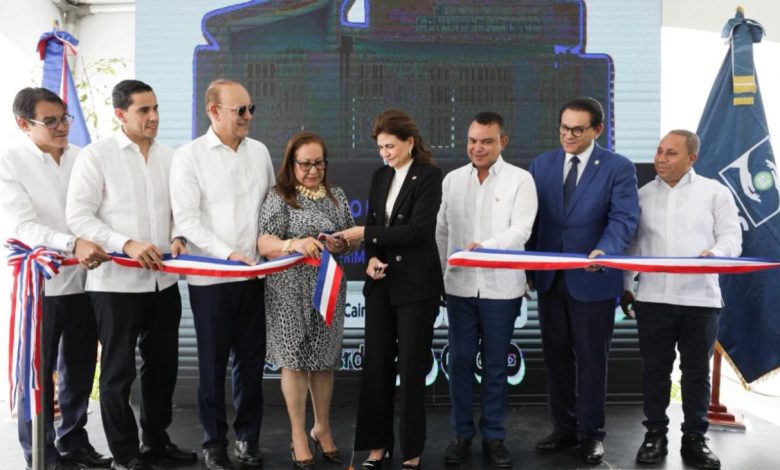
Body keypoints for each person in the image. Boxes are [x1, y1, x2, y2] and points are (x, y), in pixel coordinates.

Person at [66, 80, 195, 470]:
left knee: (162, 368)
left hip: (163, 282)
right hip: (114, 285)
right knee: (117, 373)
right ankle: (125, 454)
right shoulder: (96, 156)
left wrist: (179, 235)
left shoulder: (171, 157)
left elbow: (181, 211)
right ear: (120, 114)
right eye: (144, 110)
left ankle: (156, 441)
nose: (153, 117)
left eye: (156, 108)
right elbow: (79, 216)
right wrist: (126, 244)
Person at [0, 87, 112, 470]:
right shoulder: (11, 163)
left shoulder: (83, 157)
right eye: (50, 121)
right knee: (37, 374)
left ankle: (74, 441)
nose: (62, 127)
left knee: (79, 369)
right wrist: (72, 243)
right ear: (23, 124)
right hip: (42, 287)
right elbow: (23, 226)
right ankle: (41, 454)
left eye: (65, 118)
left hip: (87, 280)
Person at [170, 78, 274, 470]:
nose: (248, 117)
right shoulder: (189, 156)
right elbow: (187, 221)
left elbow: (270, 209)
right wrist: (229, 255)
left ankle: (248, 438)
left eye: (251, 109)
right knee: (212, 365)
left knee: (251, 363)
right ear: (213, 111)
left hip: (255, 277)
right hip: (212, 279)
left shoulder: (259, 152)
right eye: (240, 110)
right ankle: (214, 442)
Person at [528, 97, 639, 465]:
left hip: (594, 279)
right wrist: (528, 269)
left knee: (592, 360)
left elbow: (623, 218)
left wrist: (605, 251)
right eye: (563, 128)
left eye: (577, 129)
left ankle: (591, 433)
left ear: (597, 130)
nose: (568, 135)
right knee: (556, 357)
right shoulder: (541, 165)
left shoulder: (618, 167)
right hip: (549, 279)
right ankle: (563, 428)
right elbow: (533, 221)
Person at [621, 130, 740, 470]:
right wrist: (626, 286)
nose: (661, 159)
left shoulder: (715, 193)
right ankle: (655, 435)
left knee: (696, 373)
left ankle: (695, 439)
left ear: (692, 158)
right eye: (659, 151)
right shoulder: (641, 195)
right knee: (655, 371)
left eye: (671, 153)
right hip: (652, 298)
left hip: (701, 299)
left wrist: (715, 254)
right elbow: (632, 246)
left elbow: (732, 238)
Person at [337, 109, 443, 470]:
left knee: (411, 369)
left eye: (391, 146)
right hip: (381, 284)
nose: (385, 154)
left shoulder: (429, 176)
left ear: (409, 142)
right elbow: (374, 226)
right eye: (381, 147)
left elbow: (417, 231)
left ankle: (411, 452)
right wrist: (370, 258)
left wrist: (365, 234)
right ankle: (376, 448)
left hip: (417, 286)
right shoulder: (380, 176)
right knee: (376, 366)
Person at [435, 111, 537, 468]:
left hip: (501, 288)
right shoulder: (452, 180)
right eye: (472, 140)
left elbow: (522, 230)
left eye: (486, 141)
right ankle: (461, 434)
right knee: (460, 361)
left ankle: (494, 436)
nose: (477, 148)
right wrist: (441, 275)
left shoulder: (521, 180)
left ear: (502, 142)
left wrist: (486, 248)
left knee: (495, 365)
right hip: (459, 287)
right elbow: (442, 231)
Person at [257, 131, 355, 469]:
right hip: (288, 290)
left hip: (329, 287)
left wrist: (342, 244)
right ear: (291, 164)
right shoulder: (279, 196)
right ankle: (298, 435)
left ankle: (322, 427)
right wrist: (294, 244)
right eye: (305, 164)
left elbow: (351, 238)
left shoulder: (336, 195)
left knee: (324, 360)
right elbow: (264, 243)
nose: (313, 170)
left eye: (319, 163)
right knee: (296, 361)